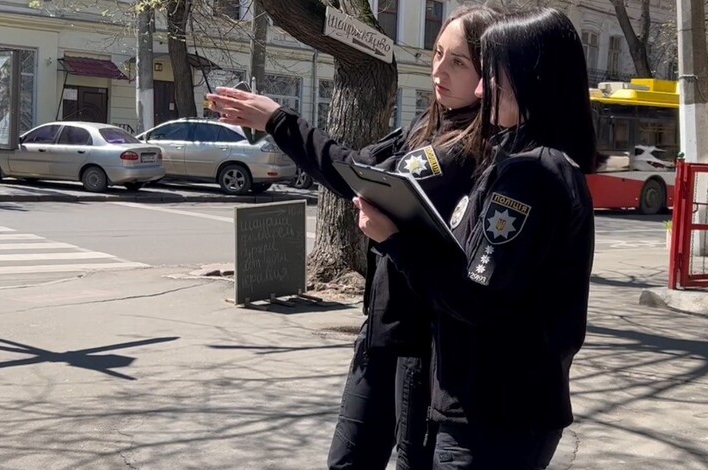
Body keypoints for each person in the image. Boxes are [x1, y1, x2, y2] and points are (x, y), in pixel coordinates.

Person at [206, 6, 500, 469]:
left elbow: (358, 175)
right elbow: (359, 164)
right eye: (438, 53)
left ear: (488, 74)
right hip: (382, 332)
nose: (439, 70)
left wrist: (280, 121)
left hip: (420, 345)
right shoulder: (428, 124)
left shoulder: (466, 148)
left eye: (458, 62)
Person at [353, 8, 596, 469]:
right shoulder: (519, 161)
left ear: (531, 79)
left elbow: (476, 296)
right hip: (489, 408)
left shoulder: (530, 175)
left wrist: (396, 242)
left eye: (494, 75)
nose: (482, 90)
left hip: (495, 416)